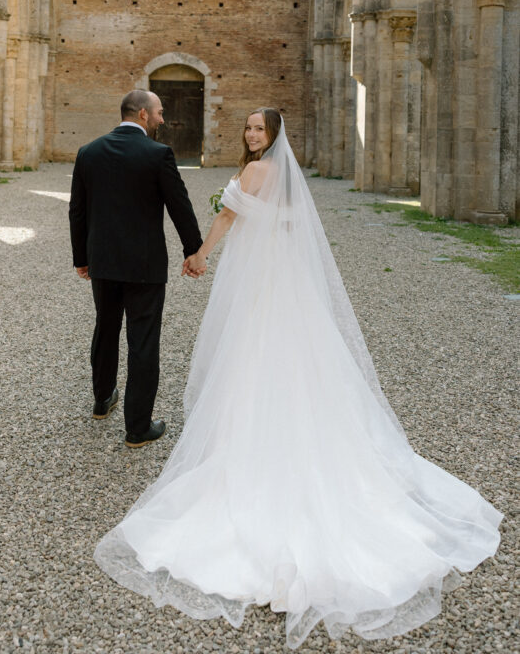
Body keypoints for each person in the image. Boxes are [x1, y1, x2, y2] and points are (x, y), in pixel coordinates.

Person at [93, 107, 503, 649]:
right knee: (297, 362)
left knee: (249, 360)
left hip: (257, 286)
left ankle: (250, 449)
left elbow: (227, 218)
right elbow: (284, 225)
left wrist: (201, 255)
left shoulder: (255, 172)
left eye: (258, 129)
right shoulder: (283, 175)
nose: (250, 135)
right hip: (282, 281)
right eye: (247, 128)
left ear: (273, 136)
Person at [69, 89, 203, 448]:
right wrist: (195, 250)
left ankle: (102, 399)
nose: (162, 119)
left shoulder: (89, 152)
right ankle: (138, 427)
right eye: (159, 113)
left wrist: (81, 258)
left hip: (103, 262)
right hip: (145, 265)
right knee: (142, 341)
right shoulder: (158, 154)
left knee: (106, 327)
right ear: (143, 115)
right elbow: (180, 205)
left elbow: (77, 211)